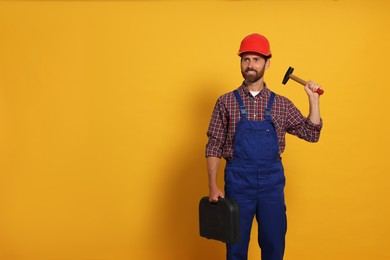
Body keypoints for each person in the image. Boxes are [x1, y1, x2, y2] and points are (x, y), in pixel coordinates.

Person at [205, 33, 323, 260]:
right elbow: (214, 145)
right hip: (238, 185)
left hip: (272, 187)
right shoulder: (225, 102)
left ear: (267, 63)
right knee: (236, 249)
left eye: (256, 59)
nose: (250, 65)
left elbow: (311, 133)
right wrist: (212, 185)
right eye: (245, 59)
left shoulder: (281, 104)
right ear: (240, 62)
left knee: (273, 247)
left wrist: (313, 100)